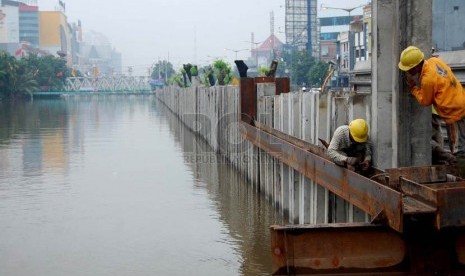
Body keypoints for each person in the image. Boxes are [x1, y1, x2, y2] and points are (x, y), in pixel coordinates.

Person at [398, 46, 465, 173]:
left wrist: (413, 87)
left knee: (459, 150)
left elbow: (425, 100)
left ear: (417, 66)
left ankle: (461, 177)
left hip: (455, 112)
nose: (408, 72)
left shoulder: (427, 79)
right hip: (462, 101)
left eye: (409, 69)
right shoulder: (435, 61)